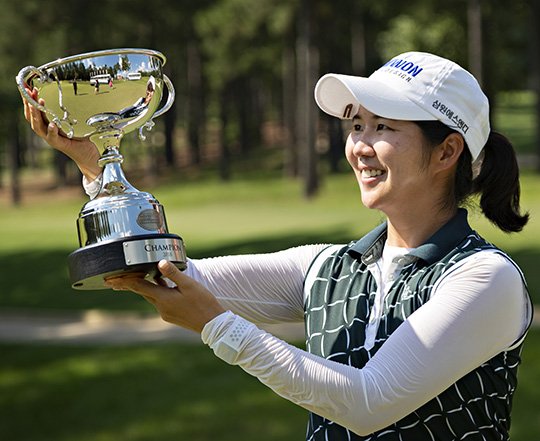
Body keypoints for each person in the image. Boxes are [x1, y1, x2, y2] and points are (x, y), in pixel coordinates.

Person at [22, 51, 532, 440]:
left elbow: (368, 402)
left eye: (383, 128)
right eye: (356, 125)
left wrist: (218, 326)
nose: (359, 146)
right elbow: (174, 276)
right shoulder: (330, 267)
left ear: (447, 151)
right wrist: (96, 167)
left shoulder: (486, 279)